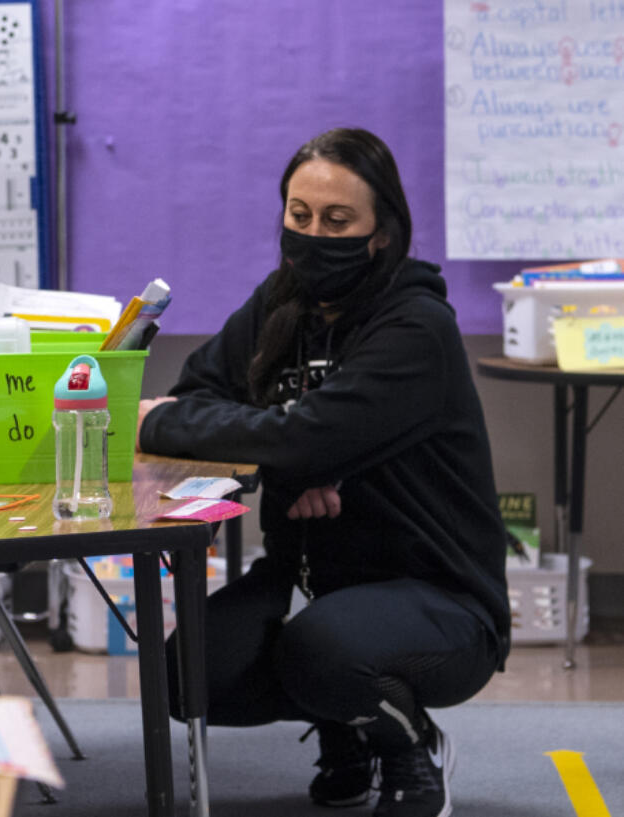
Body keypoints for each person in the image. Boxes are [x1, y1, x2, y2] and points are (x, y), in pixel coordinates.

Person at [137, 128, 510, 817]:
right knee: (187, 676)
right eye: (298, 215)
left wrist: (291, 446)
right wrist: (289, 462)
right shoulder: (280, 303)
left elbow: (295, 434)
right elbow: (201, 395)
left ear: (380, 233)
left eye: (337, 220)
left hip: (441, 598)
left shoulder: (416, 327)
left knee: (327, 650)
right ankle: (347, 727)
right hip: (311, 581)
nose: (313, 234)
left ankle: (410, 743)